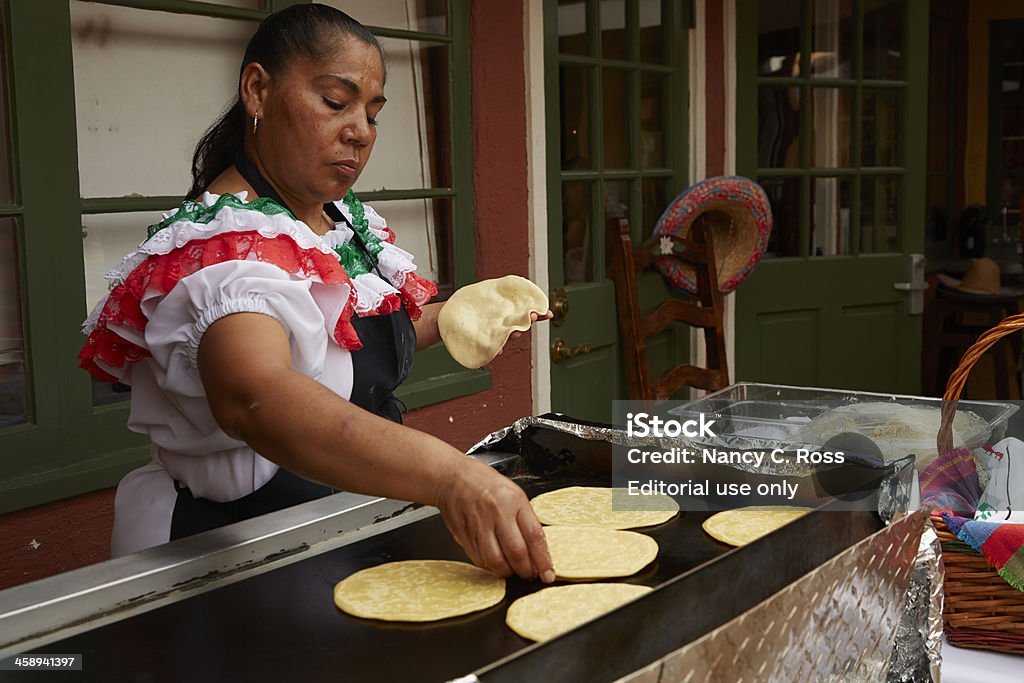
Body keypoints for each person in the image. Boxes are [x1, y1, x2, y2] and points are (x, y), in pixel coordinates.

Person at [78, 4, 554, 583]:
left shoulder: (337, 223)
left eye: (372, 114)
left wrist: (456, 316)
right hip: (235, 554)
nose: (359, 131)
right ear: (258, 90)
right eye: (335, 102)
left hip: (340, 523)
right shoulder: (225, 252)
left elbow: (336, 342)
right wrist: (450, 474)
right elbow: (256, 396)